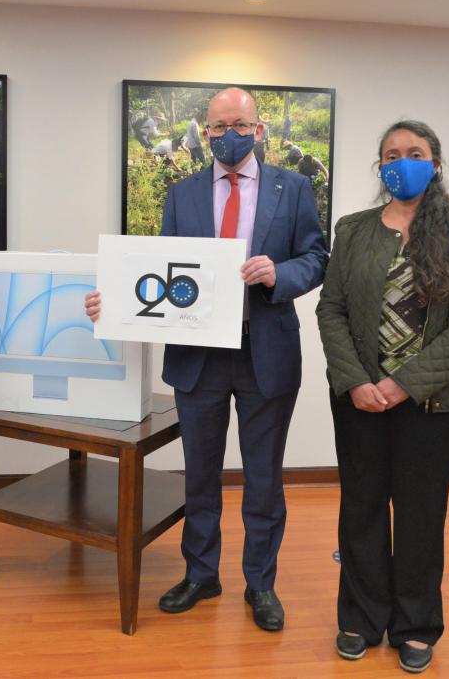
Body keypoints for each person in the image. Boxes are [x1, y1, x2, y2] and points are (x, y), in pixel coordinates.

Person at [86, 88, 327, 632]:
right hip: (199, 357)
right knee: (200, 474)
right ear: (206, 131)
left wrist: (278, 275)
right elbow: (164, 272)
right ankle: (202, 573)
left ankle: (260, 583)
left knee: (263, 478)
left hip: (266, 350)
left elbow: (316, 257)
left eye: (239, 124)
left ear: (259, 129)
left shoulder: (295, 188)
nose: (227, 135)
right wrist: (115, 303)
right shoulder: (183, 192)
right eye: (217, 127)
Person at [316, 120, 449, 673]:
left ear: (435, 163)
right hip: (359, 399)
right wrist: (358, 382)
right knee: (362, 507)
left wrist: (403, 384)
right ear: (379, 166)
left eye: (414, 153)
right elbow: (332, 310)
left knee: (420, 513)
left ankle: (415, 625)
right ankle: (361, 618)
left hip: (434, 403)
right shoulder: (354, 229)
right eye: (391, 154)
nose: (402, 161)